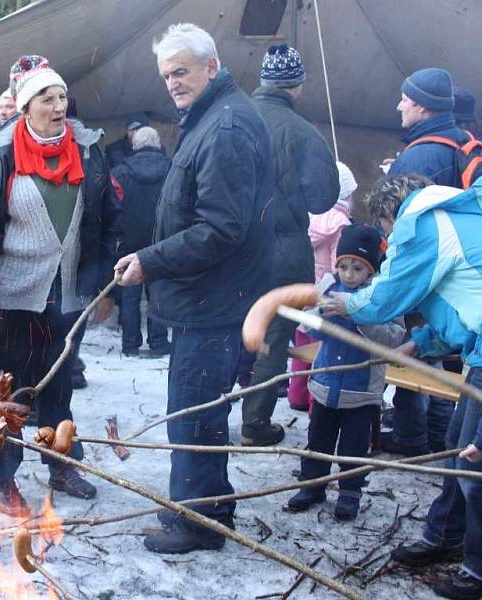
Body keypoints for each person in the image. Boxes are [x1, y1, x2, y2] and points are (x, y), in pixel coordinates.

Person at [115, 23, 274, 554]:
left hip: (213, 299)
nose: (173, 83)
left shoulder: (224, 127)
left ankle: (195, 522)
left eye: (181, 71)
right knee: (202, 410)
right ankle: (205, 502)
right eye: (166, 76)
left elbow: (221, 228)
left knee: (194, 411)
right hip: (208, 296)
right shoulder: (210, 117)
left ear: (211, 66)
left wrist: (151, 261)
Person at [0, 54, 119, 514]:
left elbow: (108, 219)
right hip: (10, 291)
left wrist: (105, 285)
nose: (57, 105)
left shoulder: (88, 150)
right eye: (46, 98)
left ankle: (60, 461)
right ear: (25, 106)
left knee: (60, 383)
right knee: (5, 390)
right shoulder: (0, 152)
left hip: (68, 288)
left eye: (62, 97)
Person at [319, 174, 482, 600]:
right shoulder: (453, 221)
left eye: (387, 230)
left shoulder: (424, 220)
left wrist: (349, 303)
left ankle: (477, 568)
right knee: (455, 445)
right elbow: (459, 301)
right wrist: (419, 343)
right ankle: (446, 534)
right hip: (479, 355)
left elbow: (388, 295)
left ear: (392, 212)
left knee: (475, 459)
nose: (390, 240)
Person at [241, 43, 340, 446]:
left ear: (262, 80)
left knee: (223, 326)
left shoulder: (227, 118)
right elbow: (322, 199)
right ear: (297, 86)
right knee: (273, 336)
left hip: (228, 247)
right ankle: (254, 423)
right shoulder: (304, 133)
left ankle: (204, 418)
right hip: (282, 251)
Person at [286, 224, 404, 520]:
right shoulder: (328, 287)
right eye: (344, 266)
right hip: (325, 385)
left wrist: (360, 315)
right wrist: (320, 317)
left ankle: (350, 493)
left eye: (357, 268)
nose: (348, 275)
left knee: (353, 448)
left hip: (360, 392)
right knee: (318, 441)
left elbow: (393, 338)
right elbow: (307, 327)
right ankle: (313, 485)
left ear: (372, 272)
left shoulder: (383, 296)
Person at [383, 69, 465, 456]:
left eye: (404, 98)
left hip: (428, 277)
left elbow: (405, 227)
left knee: (415, 358)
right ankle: (442, 440)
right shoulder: (460, 141)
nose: (399, 104)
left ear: (422, 105)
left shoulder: (422, 155)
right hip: (457, 275)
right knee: (445, 362)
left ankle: (415, 440)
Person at [288, 161, 356, 411]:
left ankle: (296, 396)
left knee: (302, 344)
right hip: (325, 294)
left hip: (302, 291)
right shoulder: (340, 223)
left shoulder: (305, 216)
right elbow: (341, 266)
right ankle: (314, 399)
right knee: (321, 352)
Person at [110, 126, 170, 356]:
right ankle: (159, 342)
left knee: (129, 293)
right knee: (158, 293)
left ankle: (130, 344)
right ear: (157, 144)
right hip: (161, 240)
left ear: (134, 145)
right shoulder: (171, 168)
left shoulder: (120, 172)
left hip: (128, 240)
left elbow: (113, 207)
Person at [388, 68, 467, 185]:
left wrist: (402, 168)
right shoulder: (465, 139)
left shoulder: (415, 161)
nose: (399, 107)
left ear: (422, 106)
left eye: (404, 100)